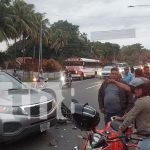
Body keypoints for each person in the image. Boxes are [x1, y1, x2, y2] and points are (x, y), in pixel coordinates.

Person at [116, 78, 150, 150]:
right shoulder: (146, 98)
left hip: (146, 133)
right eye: (135, 89)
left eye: (139, 89)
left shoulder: (141, 101)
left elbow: (131, 116)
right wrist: (122, 118)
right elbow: (132, 111)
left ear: (145, 89)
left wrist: (121, 129)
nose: (135, 91)